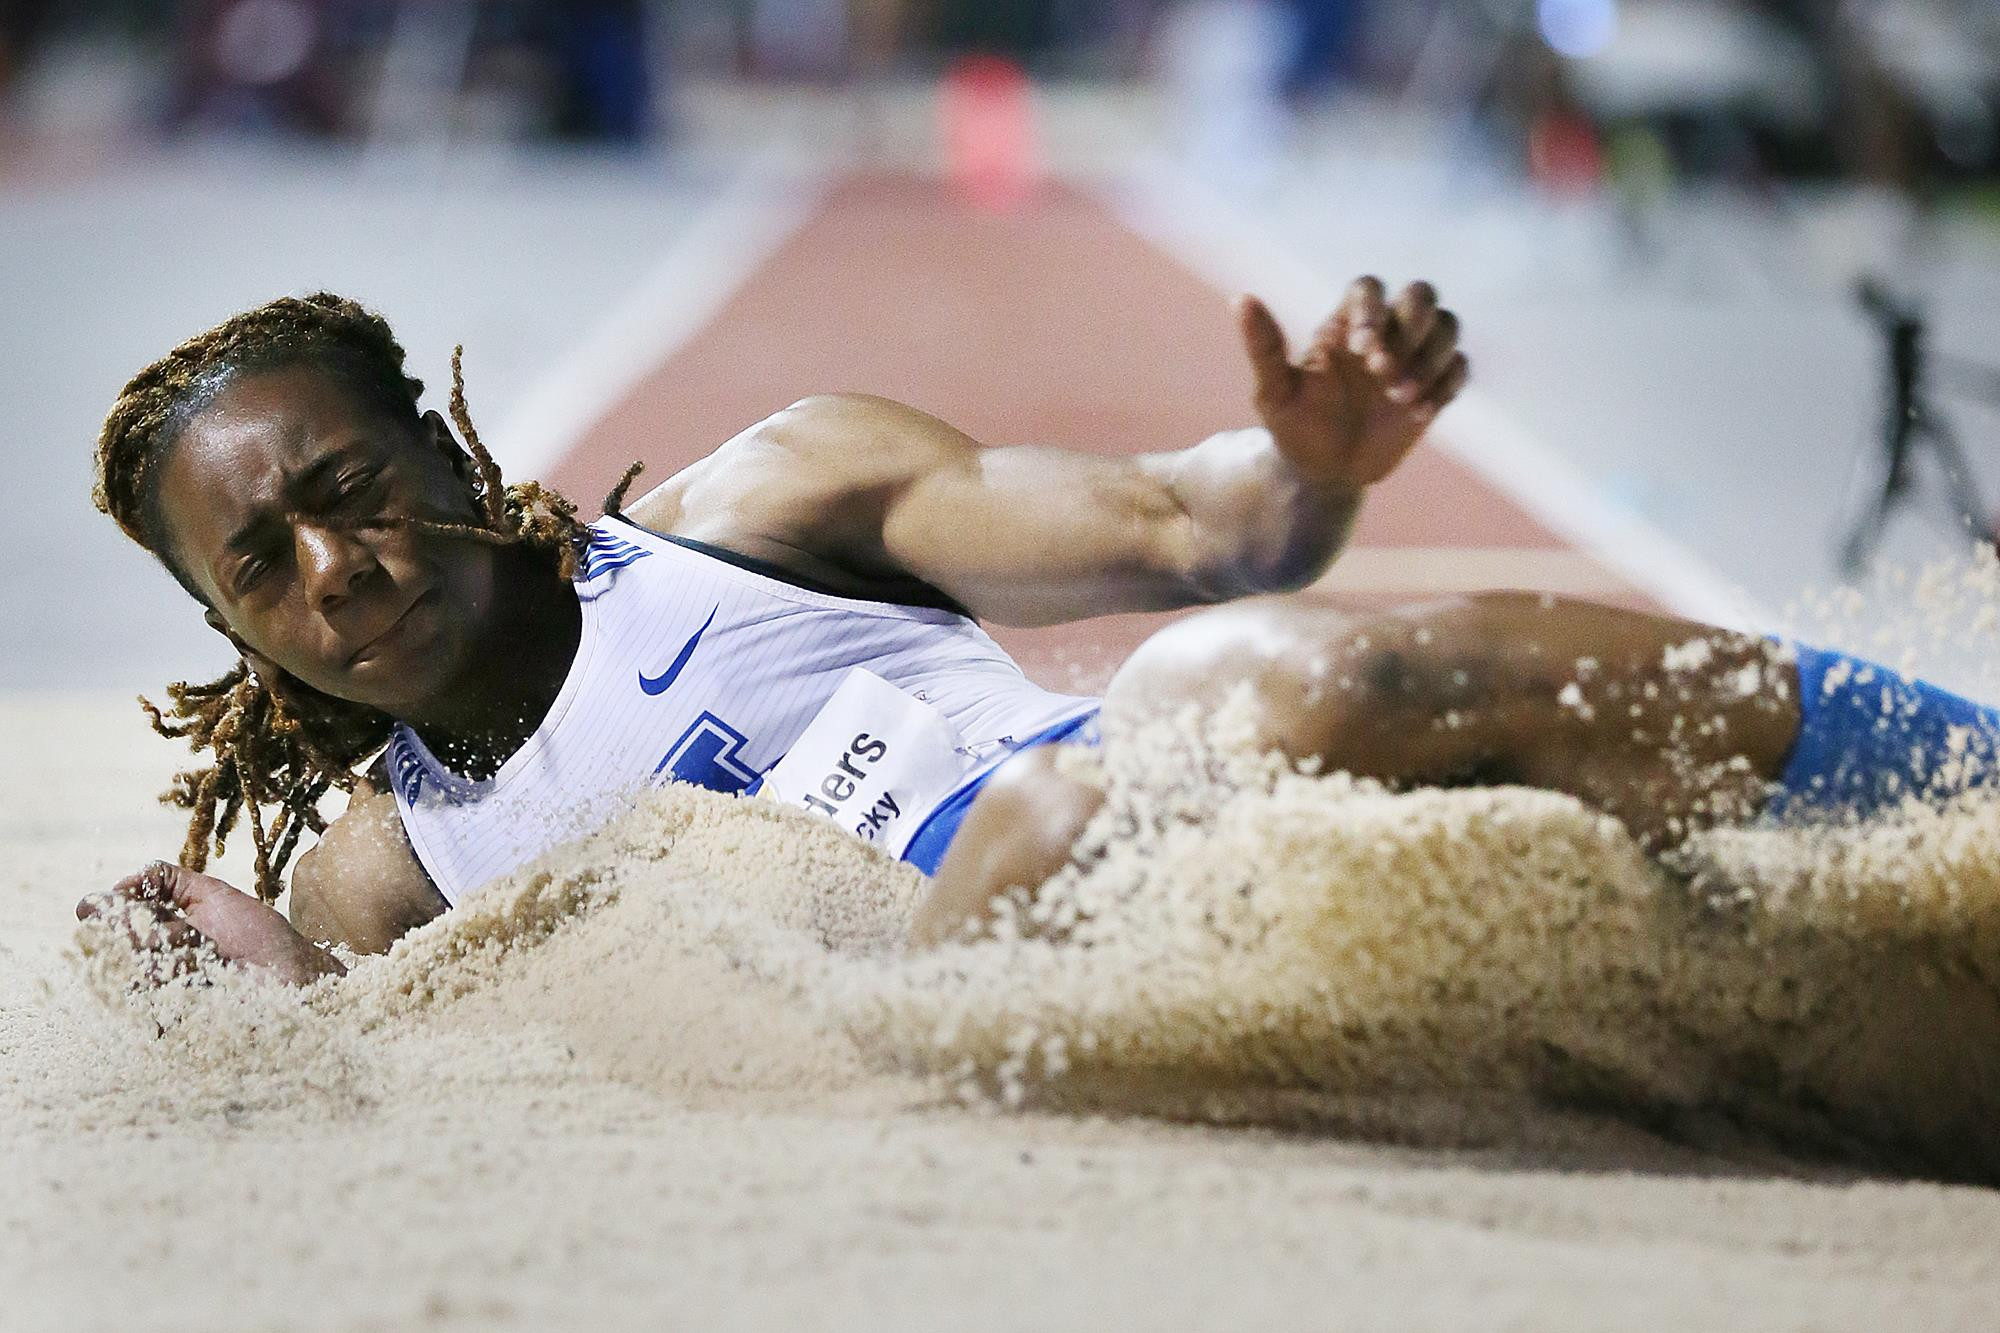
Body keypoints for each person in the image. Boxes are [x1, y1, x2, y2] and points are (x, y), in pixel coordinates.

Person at [78, 281, 2000, 983]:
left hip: (1141, 806)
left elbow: (1197, 524)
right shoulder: (385, 872)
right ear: (242, 631)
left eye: (343, 487)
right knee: (1070, 817)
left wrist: (1310, 466)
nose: (331, 567)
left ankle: (1959, 782)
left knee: (1272, 673)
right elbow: (375, 1066)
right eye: (261, 566)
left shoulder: (766, 506)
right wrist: (232, 966)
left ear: (440, 434)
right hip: (946, 998)